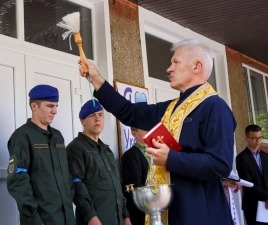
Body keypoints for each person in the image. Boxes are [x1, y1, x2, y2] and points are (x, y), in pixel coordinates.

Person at [79, 38, 237, 225]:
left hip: (200, 213)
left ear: (197, 66)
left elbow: (220, 164)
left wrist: (171, 158)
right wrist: (96, 79)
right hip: (171, 211)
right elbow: (129, 112)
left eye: (175, 62)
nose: (169, 69)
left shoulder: (215, 107)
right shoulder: (171, 108)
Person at [6, 84, 76, 225]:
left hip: (67, 218)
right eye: (50, 106)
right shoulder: (22, 136)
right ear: (34, 106)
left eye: (56, 106)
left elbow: (66, 176)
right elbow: (18, 181)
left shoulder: (57, 136)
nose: (55, 111)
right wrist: (34, 219)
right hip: (42, 219)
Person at [66, 100, 132, 225]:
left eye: (100, 115)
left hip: (116, 219)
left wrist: (125, 215)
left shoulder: (106, 150)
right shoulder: (76, 148)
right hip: (96, 220)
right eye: (92, 115)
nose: (98, 119)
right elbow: (75, 184)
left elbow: (116, 185)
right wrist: (90, 216)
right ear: (82, 121)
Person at [236, 124, 268, 225]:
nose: (258, 141)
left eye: (260, 137)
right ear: (246, 138)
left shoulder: (266, 156)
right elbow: (248, 184)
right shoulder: (241, 158)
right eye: (254, 138)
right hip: (253, 206)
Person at [121, 127, 149, 225]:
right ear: (133, 134)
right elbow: (136, 187)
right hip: (141, 210)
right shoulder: (131, 155)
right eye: (144, 129)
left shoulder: (155, 152)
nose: (148, 131)